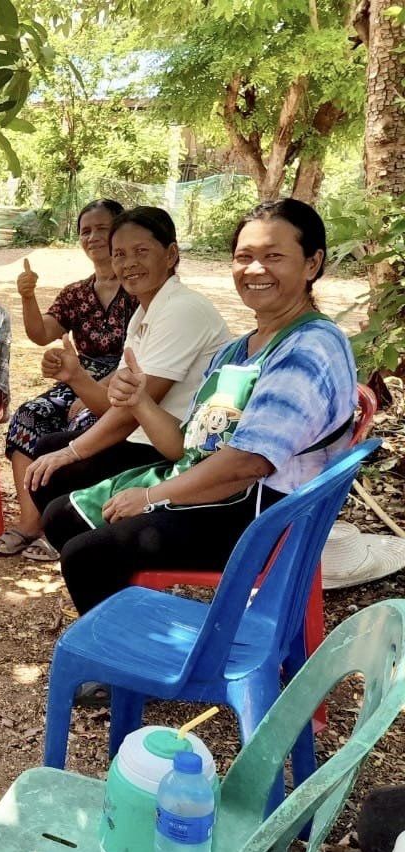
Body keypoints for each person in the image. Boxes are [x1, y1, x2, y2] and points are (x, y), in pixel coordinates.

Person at [41, 198, 358, 615]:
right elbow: (184, 447)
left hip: (265, 518)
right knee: (62, 518)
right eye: (244, 257)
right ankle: (134, 623)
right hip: (226, 493)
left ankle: (139, 658)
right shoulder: (236, 350)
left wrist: (152, 496)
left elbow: (247, 464)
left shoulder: (309, 348)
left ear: (312, 263)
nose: (255, 269)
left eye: (273, 256)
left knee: (87, 553)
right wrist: (138, 401)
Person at [23, 207, 230, 529]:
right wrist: (76, 376)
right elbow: (115, 405)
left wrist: (72, 452)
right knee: (48, 451)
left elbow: (130, 412)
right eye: (119, 254)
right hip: (150, 439)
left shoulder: (182, 310)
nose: (128, 263)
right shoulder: (145, 314)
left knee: (59, 495)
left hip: (177, 453)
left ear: (171, 254)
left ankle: (94, 542)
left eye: (141, 251)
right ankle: (91, 539)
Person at [0, 199, 138, 561]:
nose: (93, 237)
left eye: (102, 228)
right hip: (75, 380)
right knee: (28, 415)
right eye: (85, 231)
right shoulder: (76, 293)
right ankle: (30, 522)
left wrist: (90, 390)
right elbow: (42, 333)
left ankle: (67, 522)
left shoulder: (138, 290)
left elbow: (141, 362)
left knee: (87, 421)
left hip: (122, 386)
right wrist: (27, 296)